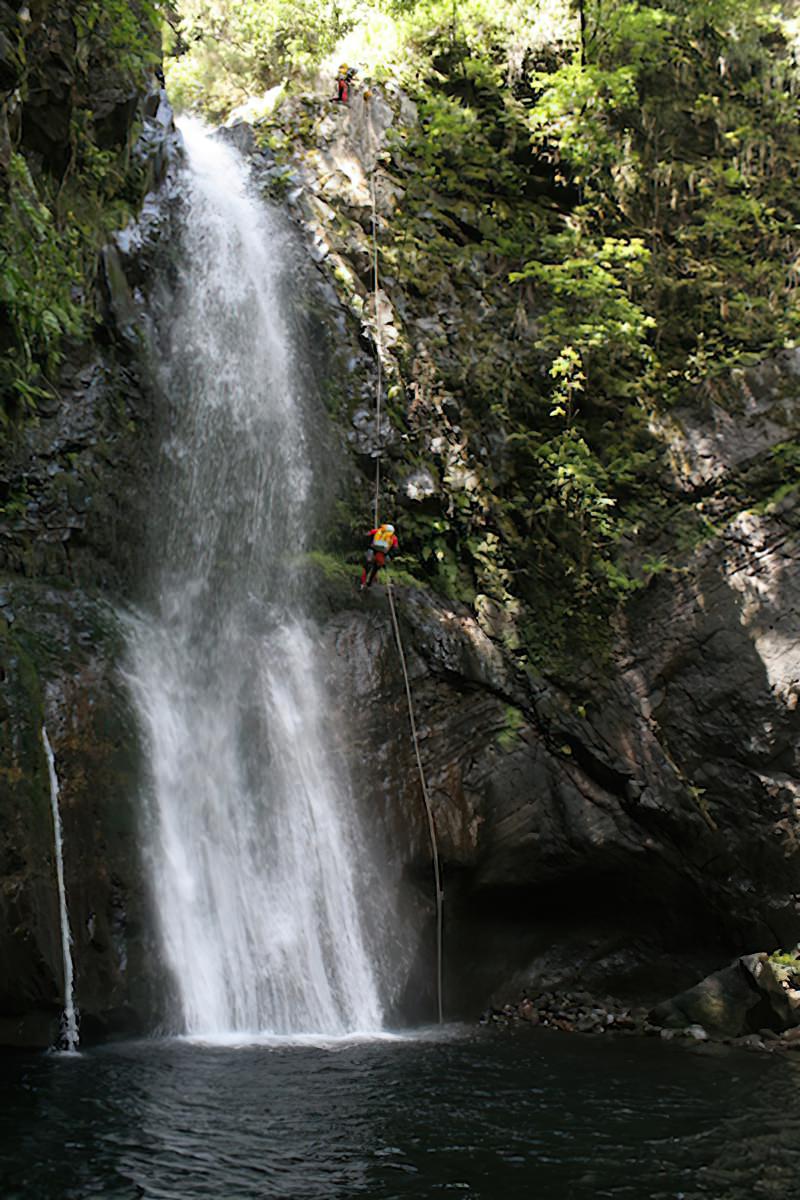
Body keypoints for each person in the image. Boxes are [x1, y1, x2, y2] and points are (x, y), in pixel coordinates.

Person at [360, 522, 398, 590]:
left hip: (372, 551)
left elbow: (367, 534)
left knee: (366, 568)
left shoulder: (378, 531)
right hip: (382, 555)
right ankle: (369, 583)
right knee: (375, 569)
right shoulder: (394, 538)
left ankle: (362, 584)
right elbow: (395, 548)